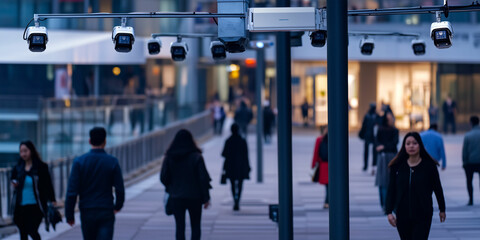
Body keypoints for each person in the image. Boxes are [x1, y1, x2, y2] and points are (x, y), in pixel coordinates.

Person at [65, 127, 125, 240]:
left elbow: (72, 191)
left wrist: (69, 214)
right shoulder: (112, 161)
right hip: (106, 208)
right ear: (105, 141)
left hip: (87, 209)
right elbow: (119, 188)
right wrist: (118, 205)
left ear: (89, 141)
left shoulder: (79, 162)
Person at [385, 132, 446, 240]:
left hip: (423, 215)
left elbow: (437, 188)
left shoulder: (429, 166)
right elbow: (391, 189)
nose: (411, 146)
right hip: (402, 214)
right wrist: (389, 212)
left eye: (414, 143)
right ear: (404, 146)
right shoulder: (397, 166)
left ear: (420, 145)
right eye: (408, 143)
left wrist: (442, 209)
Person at [160, 129, 212, 240]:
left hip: (176, 196)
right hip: (195, 197)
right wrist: (206, 198)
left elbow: (163, 177)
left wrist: (171, 187)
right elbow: (203, 178)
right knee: (196, 225)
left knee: (179, 227)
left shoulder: (170, 157)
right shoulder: (196, 157)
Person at [11, 140, 56, 240]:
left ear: (31, 150)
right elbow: (13, 179)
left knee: (32, 231)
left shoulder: (41, 167)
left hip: (36, 206)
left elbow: (48, 185)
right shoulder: (18, 168)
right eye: (21, 151)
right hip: (20, 207)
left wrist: (52, 200)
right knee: (23, 233)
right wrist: (14, 183)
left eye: (25, 151)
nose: (23, 154)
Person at [221, 123, 251, 211]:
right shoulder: (242, 141)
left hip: (230, 166)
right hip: (241, 166)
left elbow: (224, 154)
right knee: (240, 184)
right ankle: (238, 200)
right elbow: (246, 155)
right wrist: (248, 166)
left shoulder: (228, 141)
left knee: (233, 184)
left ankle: (235, 199)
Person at [375, 112, 399, 212]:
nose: (391, 120)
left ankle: (391, 204)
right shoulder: (380, 129)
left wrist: (383, 147)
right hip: (383, 157)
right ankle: (385, 204)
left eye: (391, 118)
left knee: (392, 180)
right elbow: (376, 142)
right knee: (383, 181)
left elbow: (395, 143)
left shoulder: (395, 130)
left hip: (391, 156)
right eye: (389, 119)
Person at [462, 115, 480, 206]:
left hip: (470, 162)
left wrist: (464, 162)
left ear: (471, 123)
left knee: (469, 181)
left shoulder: (468, 135)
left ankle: (471, 200)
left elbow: (465, 151)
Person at [311, 128, 329, 209]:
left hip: (323, 165)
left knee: (327, 186)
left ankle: (327, 202)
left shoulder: (319, 139)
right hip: (330, 165)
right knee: (330, 186)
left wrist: (313, 164)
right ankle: (327, 201)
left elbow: (316, 152)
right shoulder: (335, 139)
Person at [359, 103, 379, 171]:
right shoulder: (369, 115)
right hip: (369, 135)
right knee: (367, 151)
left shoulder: (373, 115)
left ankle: (373, 164)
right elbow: (364, 126)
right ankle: (367, 165)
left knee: (373, 151)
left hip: (372, 136)